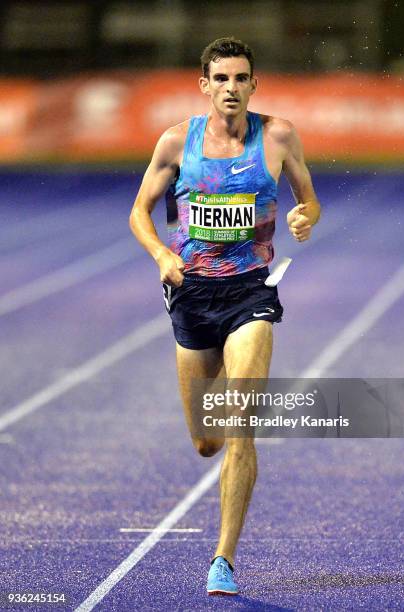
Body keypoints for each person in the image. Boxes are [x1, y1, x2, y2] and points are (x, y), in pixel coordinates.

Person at [129, 37, 321, 596]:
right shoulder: (175, 142)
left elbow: (309, 201)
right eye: (221, 79)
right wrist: (164, 255)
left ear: (254, 85)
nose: (231, 88)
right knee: (206, 441)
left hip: (251, 294)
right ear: (204, 84)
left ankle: (224, 559)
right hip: (191, 296)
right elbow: (140, 212)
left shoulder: (279, 135)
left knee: (240, 423)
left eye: (241, 79)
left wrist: (306, 219)